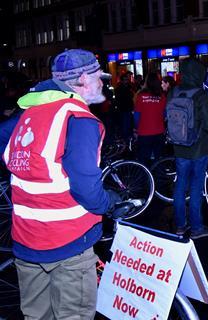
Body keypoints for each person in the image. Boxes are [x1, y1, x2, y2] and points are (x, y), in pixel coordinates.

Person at [2, 49, 120, 319]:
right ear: (82, 79)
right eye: (98, 77)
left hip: (26, 241)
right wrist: (110, 201)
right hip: (68, 242)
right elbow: (87, 190)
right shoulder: (79, 120)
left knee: (36, 316)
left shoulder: (28, 112)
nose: (103, 82)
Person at [171, 58, 208, 240]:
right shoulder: (200, 94)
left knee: (180, 185)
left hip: (179, 147)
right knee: (196, 187)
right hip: (198, 148)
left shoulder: (174, 91)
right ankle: (197, 228)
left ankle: (180, 226)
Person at [134, 72, 167, 166]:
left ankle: (146, 178)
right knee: (158, 158)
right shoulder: (162, 96)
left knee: (143, 159)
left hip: (144, 133)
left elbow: (136, 116)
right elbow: (165, 114)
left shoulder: (140, 96)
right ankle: (158, 178)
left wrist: (136, 128)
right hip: (159, 131)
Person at [114, 72, 135, 140]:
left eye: (127, 79)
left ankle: (127, 138)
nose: (127, 81)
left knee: (127, 125)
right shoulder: (120, 88)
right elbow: (121, 99)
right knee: (125, 125)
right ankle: (126, 139)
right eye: (125, 79)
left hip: (127, 109)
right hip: (124, 109)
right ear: (122, 80)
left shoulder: (128, 87)